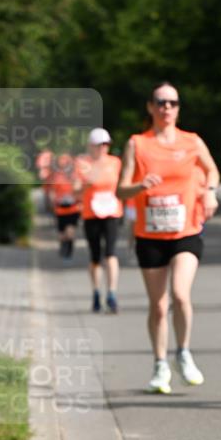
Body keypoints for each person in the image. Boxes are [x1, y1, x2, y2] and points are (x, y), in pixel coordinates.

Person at [116, 82, 220, 392]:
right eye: (161, 103)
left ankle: (184, 353)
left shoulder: (192, 142)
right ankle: (160, 364)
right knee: (158, 305)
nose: (167, 108)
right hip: (149, 234)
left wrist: (211, 194)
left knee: (180, 294)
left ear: (178, 107)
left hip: (185, 230)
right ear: (150, 107)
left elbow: (212, 171)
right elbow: (121, 190)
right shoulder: (137, 143)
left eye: (173, 103)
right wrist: (140, 186)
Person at [75, 128, 123, 313]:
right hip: (91, 214)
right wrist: (86, 184)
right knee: (95, 256)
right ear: (91, 146)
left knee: (110, 253)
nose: (102, 148)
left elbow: (121, 186)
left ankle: (111, 293)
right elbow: (75, 190)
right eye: (99, 145)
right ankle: (96, 292)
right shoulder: (82, 164)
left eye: (105, 144)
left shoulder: (115, 162)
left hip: (111, 212)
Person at [49, 153, 80, 260]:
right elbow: (52, 192)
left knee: (70, 231)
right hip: (60, 209)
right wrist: (53, 203)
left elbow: (79, 190)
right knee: (62, 234)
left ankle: (69, 249)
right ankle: (63, 247)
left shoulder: (74, 177)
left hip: (73, 208)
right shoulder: (56, 177)